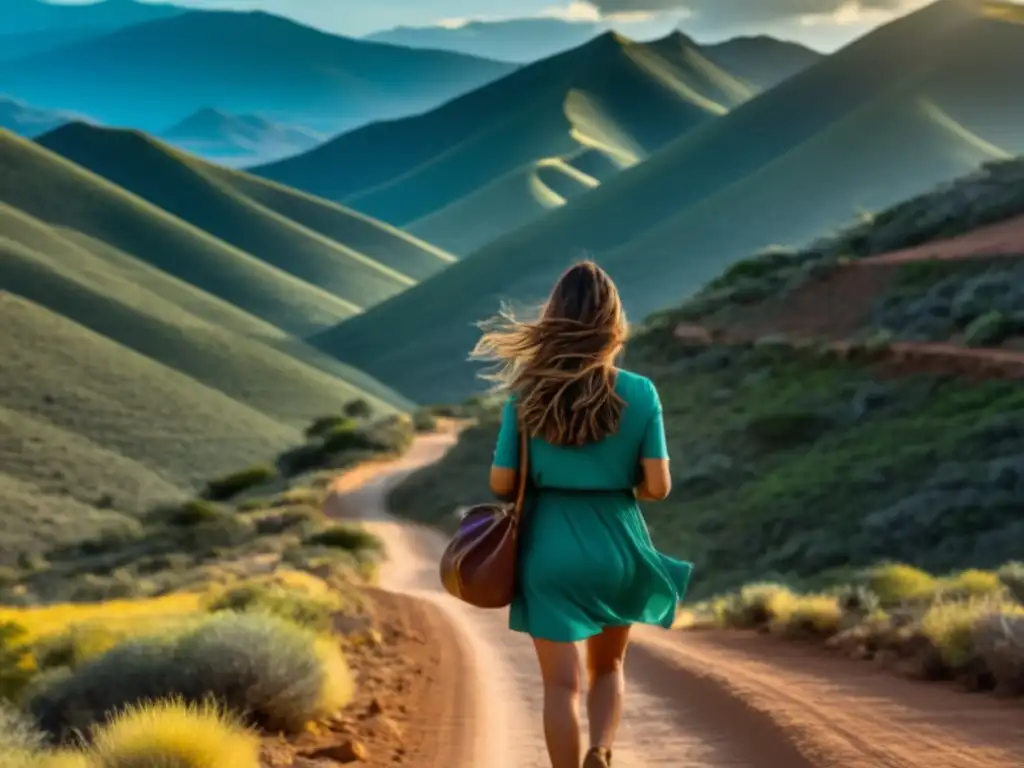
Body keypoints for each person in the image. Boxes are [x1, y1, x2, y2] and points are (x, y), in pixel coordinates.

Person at [470, 260, 693, 768]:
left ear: (553, 318)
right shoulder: (640, 391)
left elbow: (502, 483)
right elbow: (658, 487)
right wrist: (611, 473)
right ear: (613, 322)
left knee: (560, 686)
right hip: (617, 540)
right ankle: (602, 750)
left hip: (549, 545)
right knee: (609, 665)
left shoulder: (527, 394)